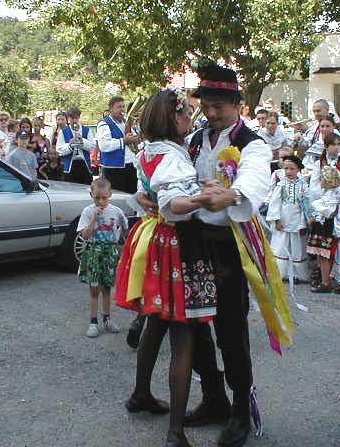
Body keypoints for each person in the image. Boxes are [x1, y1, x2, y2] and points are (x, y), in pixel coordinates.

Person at [181, 65, 293, 447]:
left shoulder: (252, 143)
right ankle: (213, 398)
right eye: (206, 106)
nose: (211, 113)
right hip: (193, 241)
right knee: (195, 327)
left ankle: (241, 411)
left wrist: (230, 195)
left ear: (238, 105)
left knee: (230, 331)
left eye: (218, 107)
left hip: (228, 245)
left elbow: (255, 178)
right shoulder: (195, 140)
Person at [115, 87, 218, 447]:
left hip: (156, 241)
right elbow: (173, 204)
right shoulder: (174, 156)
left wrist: (148, 198)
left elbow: (144, 193)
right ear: (172, 117)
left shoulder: (149, 150)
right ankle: (175, 432)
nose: (190, 117)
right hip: (179, 245)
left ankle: (140, 393)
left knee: (155, 323)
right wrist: (206, 197)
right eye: (186, 111)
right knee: (183, 336)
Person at [77, 177, 128, 338]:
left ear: (110, 194)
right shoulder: (87, 211)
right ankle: (93, 322)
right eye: (96, 197)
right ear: (91, 195)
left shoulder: (116, 211)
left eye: (104, 197)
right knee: (94, 289)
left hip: (110, 252)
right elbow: (85, 236)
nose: (100, 201)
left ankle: (107, 319)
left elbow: (125, 230)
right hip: (93, 251)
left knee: (107, 288)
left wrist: (124, 245)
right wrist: (94, 218)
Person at [266, 155, 310, 283]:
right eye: (286, 169)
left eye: (292, 168)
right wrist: (276, 219)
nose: (288, 171)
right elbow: (275, 203)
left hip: (297, 220)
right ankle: (280, 272)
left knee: (297, 246)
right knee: (281, 245)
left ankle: (296, 274)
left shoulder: (303, 185)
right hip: (284, 219)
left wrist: (307, 219)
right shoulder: (281, 185)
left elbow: (307, 203)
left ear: (298, 169)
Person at [308, 166, 340, 293]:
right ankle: (322, 279)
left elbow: (329, 212)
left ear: (328, 181)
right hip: (321, 227)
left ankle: (325, 282)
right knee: (321, 255)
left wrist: (317, 209)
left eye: (321, 179)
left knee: (324, 256)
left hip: (326, 228)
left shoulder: (333, 195)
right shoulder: (328, 193)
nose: (320, 181)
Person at [97, 96, 140, 193]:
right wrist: (124, 141)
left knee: (132, 195)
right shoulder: (104, 124)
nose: (123, 109)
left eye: (123, 106)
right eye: (119, 107)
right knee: (117, 196)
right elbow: (104, 146)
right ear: (111, 109)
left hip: (130, 166)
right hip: (113, 169)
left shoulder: (127, 122)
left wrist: (136, 138)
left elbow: (134, 139)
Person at [56, 107, 95, 184]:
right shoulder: (63, 131)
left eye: (76, 118)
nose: (74, 121)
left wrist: (82, 141)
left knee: (86, 187)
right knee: (70, 188)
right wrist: (70, 146)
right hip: (70, 166)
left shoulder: (87, 130)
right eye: (72, 118)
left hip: (84, 165)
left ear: (79, 118)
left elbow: (92, 147)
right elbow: (59, 150)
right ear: (68, 119)